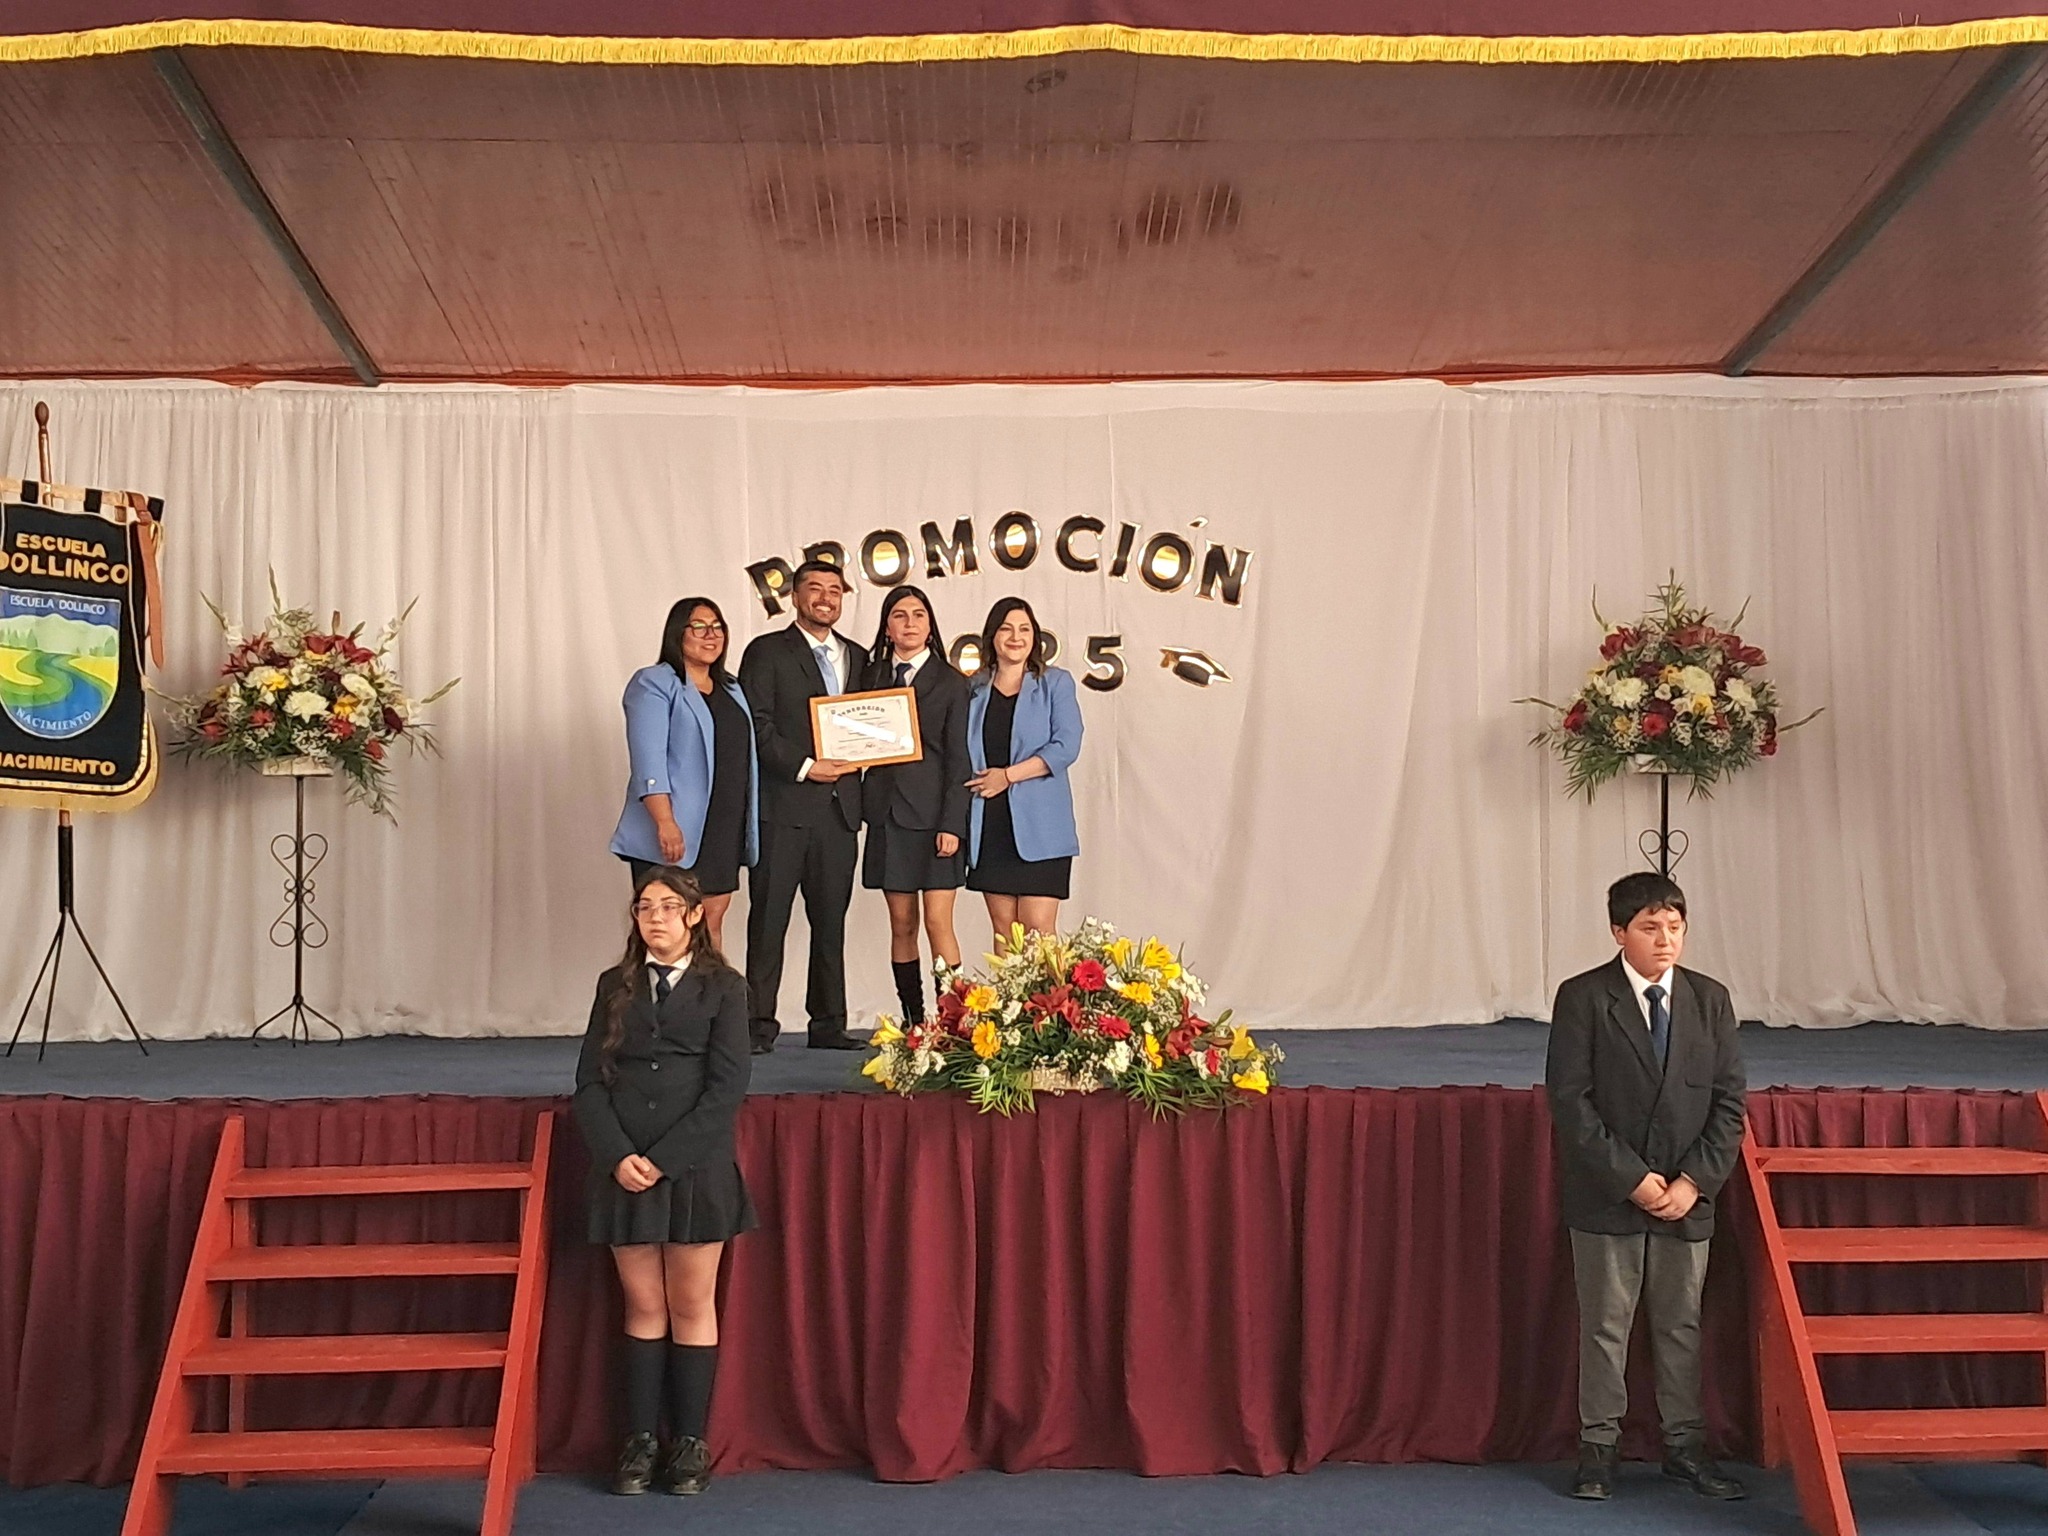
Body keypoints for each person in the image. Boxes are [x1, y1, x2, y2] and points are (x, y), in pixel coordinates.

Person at [1544, 872, 1747, 1504]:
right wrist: (1631, 1178)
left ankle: (1684, 1449)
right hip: (1608, 1194)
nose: (1665, 940)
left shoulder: (1710, 1000)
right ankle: (1598, 1451)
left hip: (1687, 1197)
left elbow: (1729, 1105)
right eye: (1650, 928)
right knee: (1606, 1327)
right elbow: (1570, 1102)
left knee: (1681, 1325)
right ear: (1618, 932)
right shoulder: (1583, 997)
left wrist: (1694, 1182)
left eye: (1675, 928)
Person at [573, 867, 755, 1499]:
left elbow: (727, 1088)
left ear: (695, 916)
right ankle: (641, 1440)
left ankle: (691, 1444)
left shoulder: (724, 988)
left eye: (669, 907)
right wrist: (618, 1154)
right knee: (644, 1305)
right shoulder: (614, 985)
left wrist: (664, 1159)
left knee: (691, 1305)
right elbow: (589, 1083)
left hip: (694, 1170)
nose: (655, 917)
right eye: (645, 906)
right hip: (623, 1171)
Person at [737, 559, 866, 1052]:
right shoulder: (767, 651)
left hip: (840, 813)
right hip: (784, 808)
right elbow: (757, 725)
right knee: (769, 921)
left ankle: (829, 1024)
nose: (826, 598)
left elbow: (874, 724)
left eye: (835, 590)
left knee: (831, 925)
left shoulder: (858, 656)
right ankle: (756, 1026)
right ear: (795, 596)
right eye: (815, 588)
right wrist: (807, 766)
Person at [611, 597, 758, 950]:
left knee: (710, 923)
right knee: (665, 928)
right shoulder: (654, 682)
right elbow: (648, 761)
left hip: (722, 827)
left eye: (717, 627)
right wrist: (665, 821)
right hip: (675, 827)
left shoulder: (732, 688)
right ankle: (657, 989)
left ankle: (708, 989)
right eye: (699, 627)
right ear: (678, 632)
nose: (711, 635)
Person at [860, 584, 970, 1023]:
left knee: (938, 923)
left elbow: (960, 758)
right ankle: (914, 1021)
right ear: (887, 627)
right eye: (900, 615)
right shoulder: (871, 677)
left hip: (935, 820)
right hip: (887, 816)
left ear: (930, 625)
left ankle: (951, 1023)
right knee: (901, 924)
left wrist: (953, 823)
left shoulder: (952, 682)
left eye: (918, 615)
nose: (909, 623)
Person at [964, 596, 1083, 940]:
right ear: (992, 636)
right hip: (990, 822)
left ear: (1035, 636)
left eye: (1024, 629)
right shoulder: (973, 688)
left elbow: (1066, 746)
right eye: (1006, 629)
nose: (1016, 637)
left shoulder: (1055, 683)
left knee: (1039, 931)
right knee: (1004, 932)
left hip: (1042, 827)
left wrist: (1008, 776)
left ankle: (1054, 985)